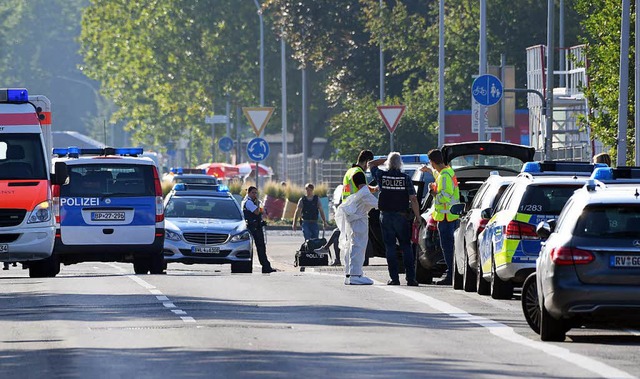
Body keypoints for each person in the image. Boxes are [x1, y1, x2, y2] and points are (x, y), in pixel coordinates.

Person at [369, 152, 421, 286]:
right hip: (402, 217)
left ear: (388, 164)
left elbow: (371, 164)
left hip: (385, 216)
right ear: (400, 164)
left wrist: (386, 159)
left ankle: (394, 278)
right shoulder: (406, 178)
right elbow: (413, 199)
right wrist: (418, 216)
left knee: (390, 247)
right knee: (406, 247)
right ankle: (411, 279)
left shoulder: (381, 176)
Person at [335, 149, 378, 285]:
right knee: (358, 243)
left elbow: (359, 189)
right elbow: (363, 194)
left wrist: (371, 188)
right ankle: (356, 274)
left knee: (350, 243)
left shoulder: (350, 172)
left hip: (350, 212)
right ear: (367, 162)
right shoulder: (359, 173)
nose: (368, 169)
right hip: (358, 213)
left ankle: (349, 274)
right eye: (369, 166)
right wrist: (379, 204)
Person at [420, 148, 460, 285]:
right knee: (451, 248)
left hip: (445, 218)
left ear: (432, 162)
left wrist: (433, 192)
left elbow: (445, 197)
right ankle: (453, 273)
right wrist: (429, 171)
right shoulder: (448, 172)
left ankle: (450, 276)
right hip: (451, 217)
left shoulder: (444, 176)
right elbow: (438, 176)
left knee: (447, 248)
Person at [241, 186, 276, 274]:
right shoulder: (248, 202)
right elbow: (257, 211)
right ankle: (265, 266)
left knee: (261, 247)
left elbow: (262, 210)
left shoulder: (253, 202)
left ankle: (266, 266)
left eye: (256, 193)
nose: (255, 195)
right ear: (248, 193)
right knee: (259, 247)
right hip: (253, 227)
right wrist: (260, 209)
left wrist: (260, 209)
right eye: (253, 193)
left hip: (257, 226)